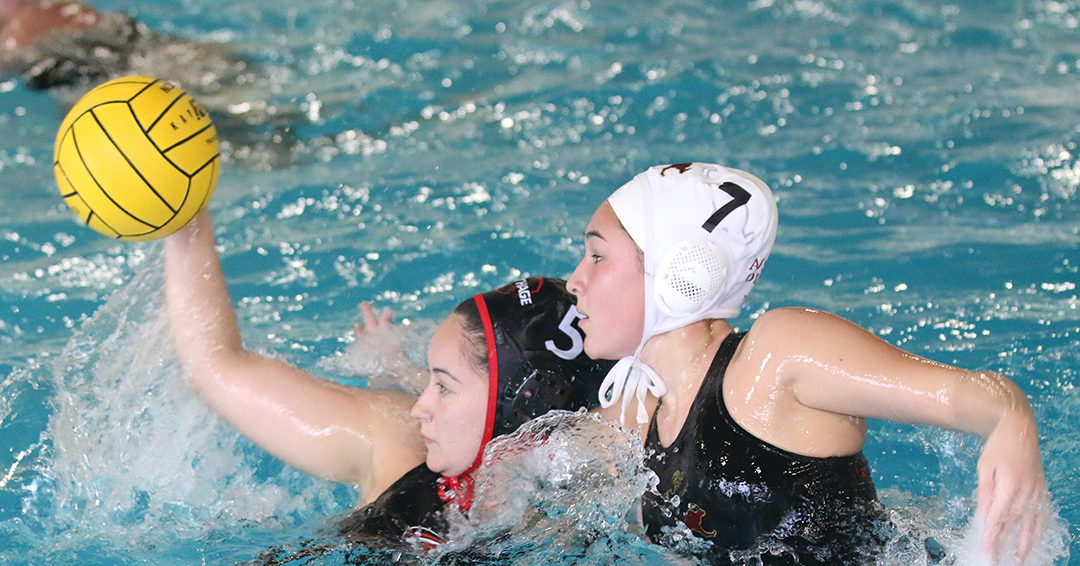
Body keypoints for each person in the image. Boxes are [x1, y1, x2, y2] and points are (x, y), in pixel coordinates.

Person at [566, 162, 1048, 565]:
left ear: (680, 273)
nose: (574, 281)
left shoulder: (777, 358)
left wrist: (1013, 423)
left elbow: (971, 395)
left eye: (596, 256)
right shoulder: (639, 411)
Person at [163, 209, 612, 553]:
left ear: (515, 412)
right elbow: (214, 365)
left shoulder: (602, 510)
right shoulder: (399, 441)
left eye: (444, 386)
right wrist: (186, 216)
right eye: (429, 380)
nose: (420, 406)